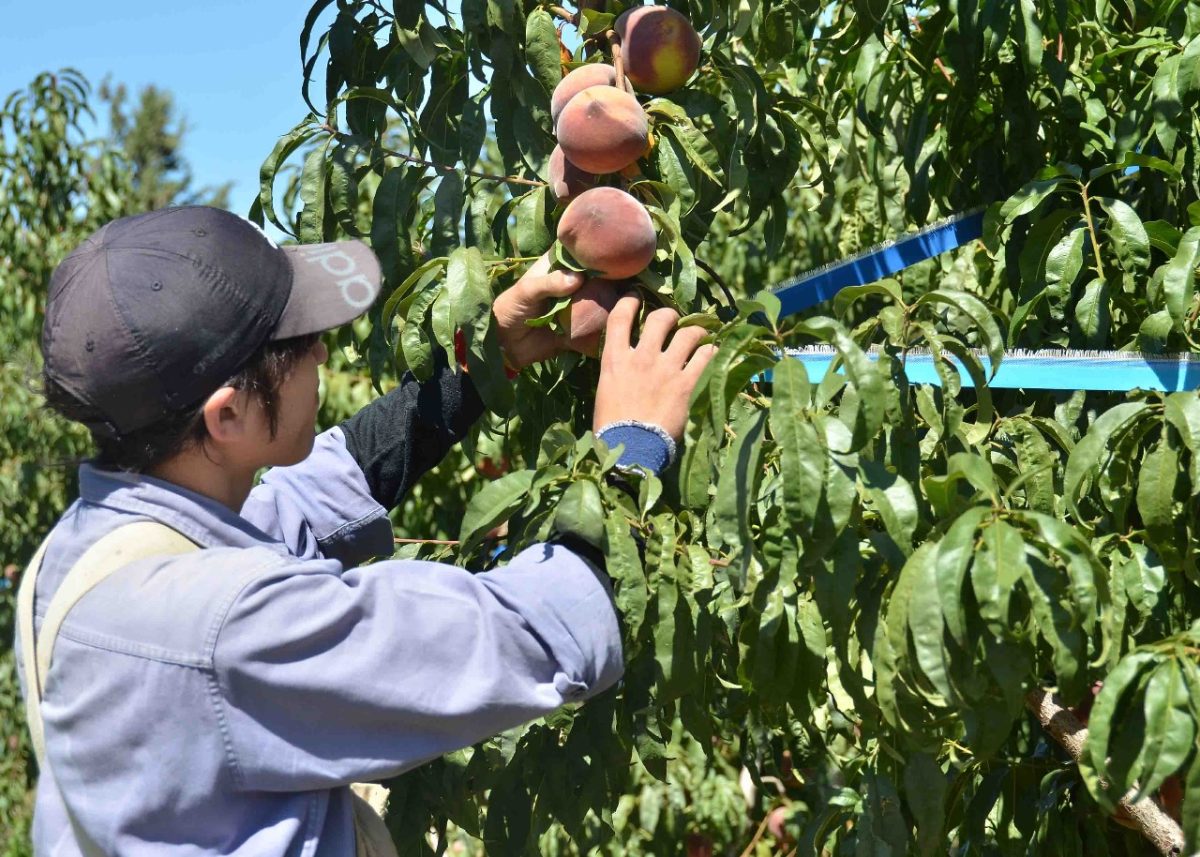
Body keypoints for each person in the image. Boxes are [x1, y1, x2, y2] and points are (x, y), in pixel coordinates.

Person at [15, 206, 715, 855]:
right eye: (299, 342)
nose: (323, 354)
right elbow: (535, 634)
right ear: (226, 417)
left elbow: (317, 490)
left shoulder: (92, 553)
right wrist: (630, 448)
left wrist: (484, 361)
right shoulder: (225, 629)